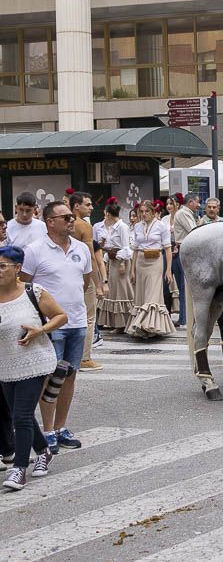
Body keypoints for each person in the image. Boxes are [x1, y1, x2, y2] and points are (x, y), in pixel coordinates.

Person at [19, 200, 96, 453]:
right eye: (65, 218)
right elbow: (25, 286)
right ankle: (48, 430)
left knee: (70, 375)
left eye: (71, 217)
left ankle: (61, 427)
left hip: (76, 322)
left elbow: (84, 283)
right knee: (49, 377)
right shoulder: (35, 250)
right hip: (49, 324)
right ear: (50, 222)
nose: (71, 221)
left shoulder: (82, 249)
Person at [0, 245, 68, 491]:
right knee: (22, 414)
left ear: (18, 268)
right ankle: (43, 451)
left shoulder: (33, 292)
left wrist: (40, 330)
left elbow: (61, 316)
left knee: (20, 416)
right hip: (5, 365)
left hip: (34, 362)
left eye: (2, 266)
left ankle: (19, 469)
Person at [125, 201, 175, 339]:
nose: (143, 214)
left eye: (146, 211)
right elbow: (135, 249)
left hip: (155, 261)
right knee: (141, 294)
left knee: (152, 294)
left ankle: (151, 326)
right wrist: (132, 269)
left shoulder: (161, 226)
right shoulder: (137, 227)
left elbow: (168, 249)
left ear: (153, 212)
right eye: (141, 211)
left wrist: (168, 270)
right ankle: (142, 326)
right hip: (141, 260)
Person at [67, 191, 104, 372]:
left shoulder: (62, 224)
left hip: (64, 276)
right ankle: (84, 358)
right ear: (76, 206)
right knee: (89, 317)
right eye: (87, 205)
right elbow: (91, 257)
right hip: (83, 274)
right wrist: (98, 284)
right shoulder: (83, 226)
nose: (91, 207)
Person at [97, 201, 133, 330]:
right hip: (113, 260)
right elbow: (109, 246)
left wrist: (122, 262)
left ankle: (125, 322)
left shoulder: (122, 227)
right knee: (113, 291)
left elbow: (126, 247)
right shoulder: (112, 227)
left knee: (122, 291)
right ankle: (117, 323)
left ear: (109, 214)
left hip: (120, 261)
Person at [170, 193, 200, 327]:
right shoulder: (183, 213)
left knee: (185, 286)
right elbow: (193, 231)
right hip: (185, 250)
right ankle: (185, 319)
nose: (199, 205)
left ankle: (185, 318)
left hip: (183, 250)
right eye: (197, 202)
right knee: (185, 286)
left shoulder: (185, 213)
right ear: (190, 202)